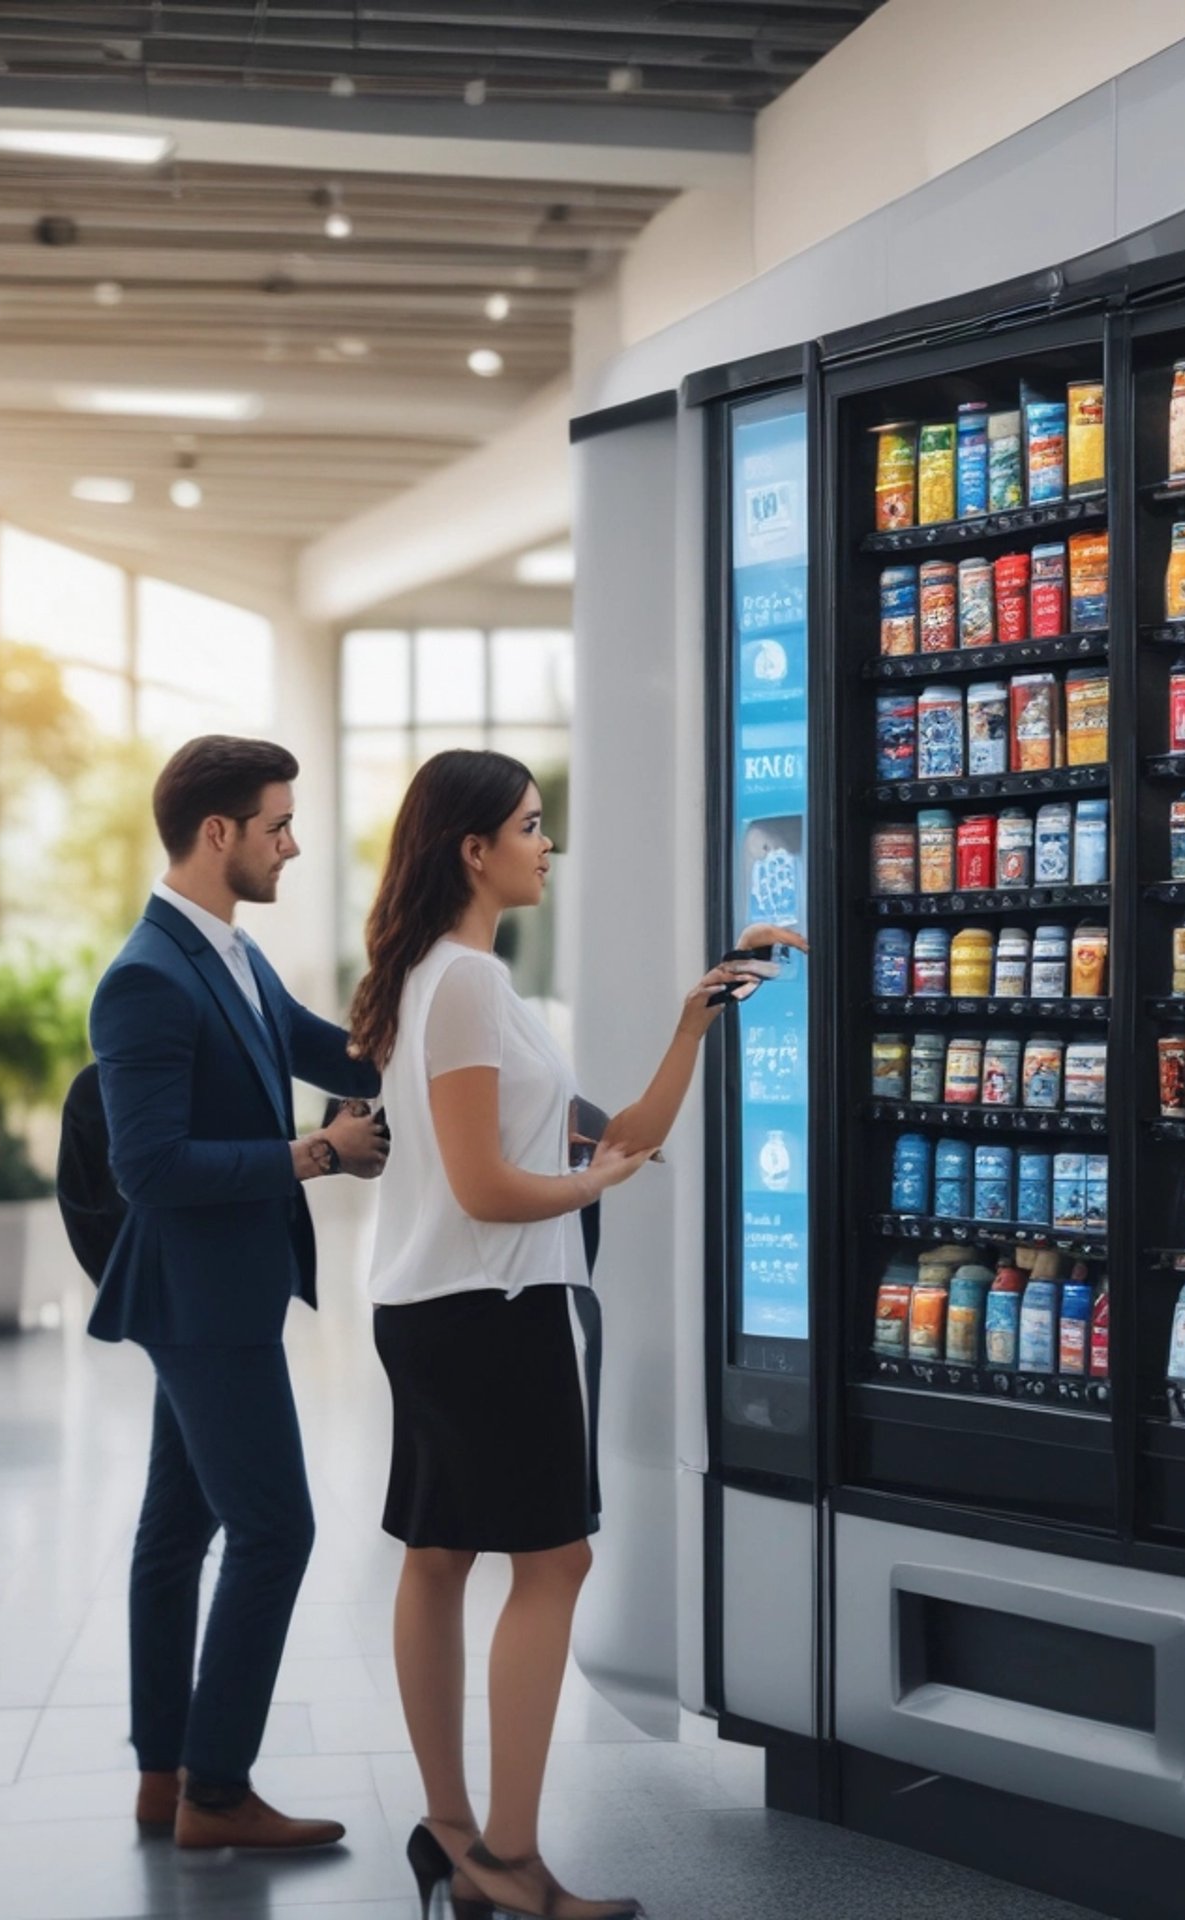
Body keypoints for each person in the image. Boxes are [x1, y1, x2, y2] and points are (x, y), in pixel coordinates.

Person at [347, 748, 805, 1920]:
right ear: (474, 850)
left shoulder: (431, 979)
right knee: (554, 1563)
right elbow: (491, 1186)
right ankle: (508, 1862)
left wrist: (693, 1023)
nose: (546, 845)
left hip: (432, 1308)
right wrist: (591, 1186)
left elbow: (619, 1135)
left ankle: (456, 1840)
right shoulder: (468, 985)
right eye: (530, 825)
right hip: (502, 1309)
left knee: (439, 1556)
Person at [88, 735, 389, 1851]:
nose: (292, 845)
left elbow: (324, 1050)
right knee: (276, 1531)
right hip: (201, 1300)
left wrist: (433, 1036)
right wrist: (316, 1155)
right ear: (218, 833)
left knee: (177, 1532)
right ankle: (216, 1793)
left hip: (218, 1295)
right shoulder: (146, 978)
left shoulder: (227, 949)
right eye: (278, 825)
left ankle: (162, 1778)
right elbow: (148, 1168)